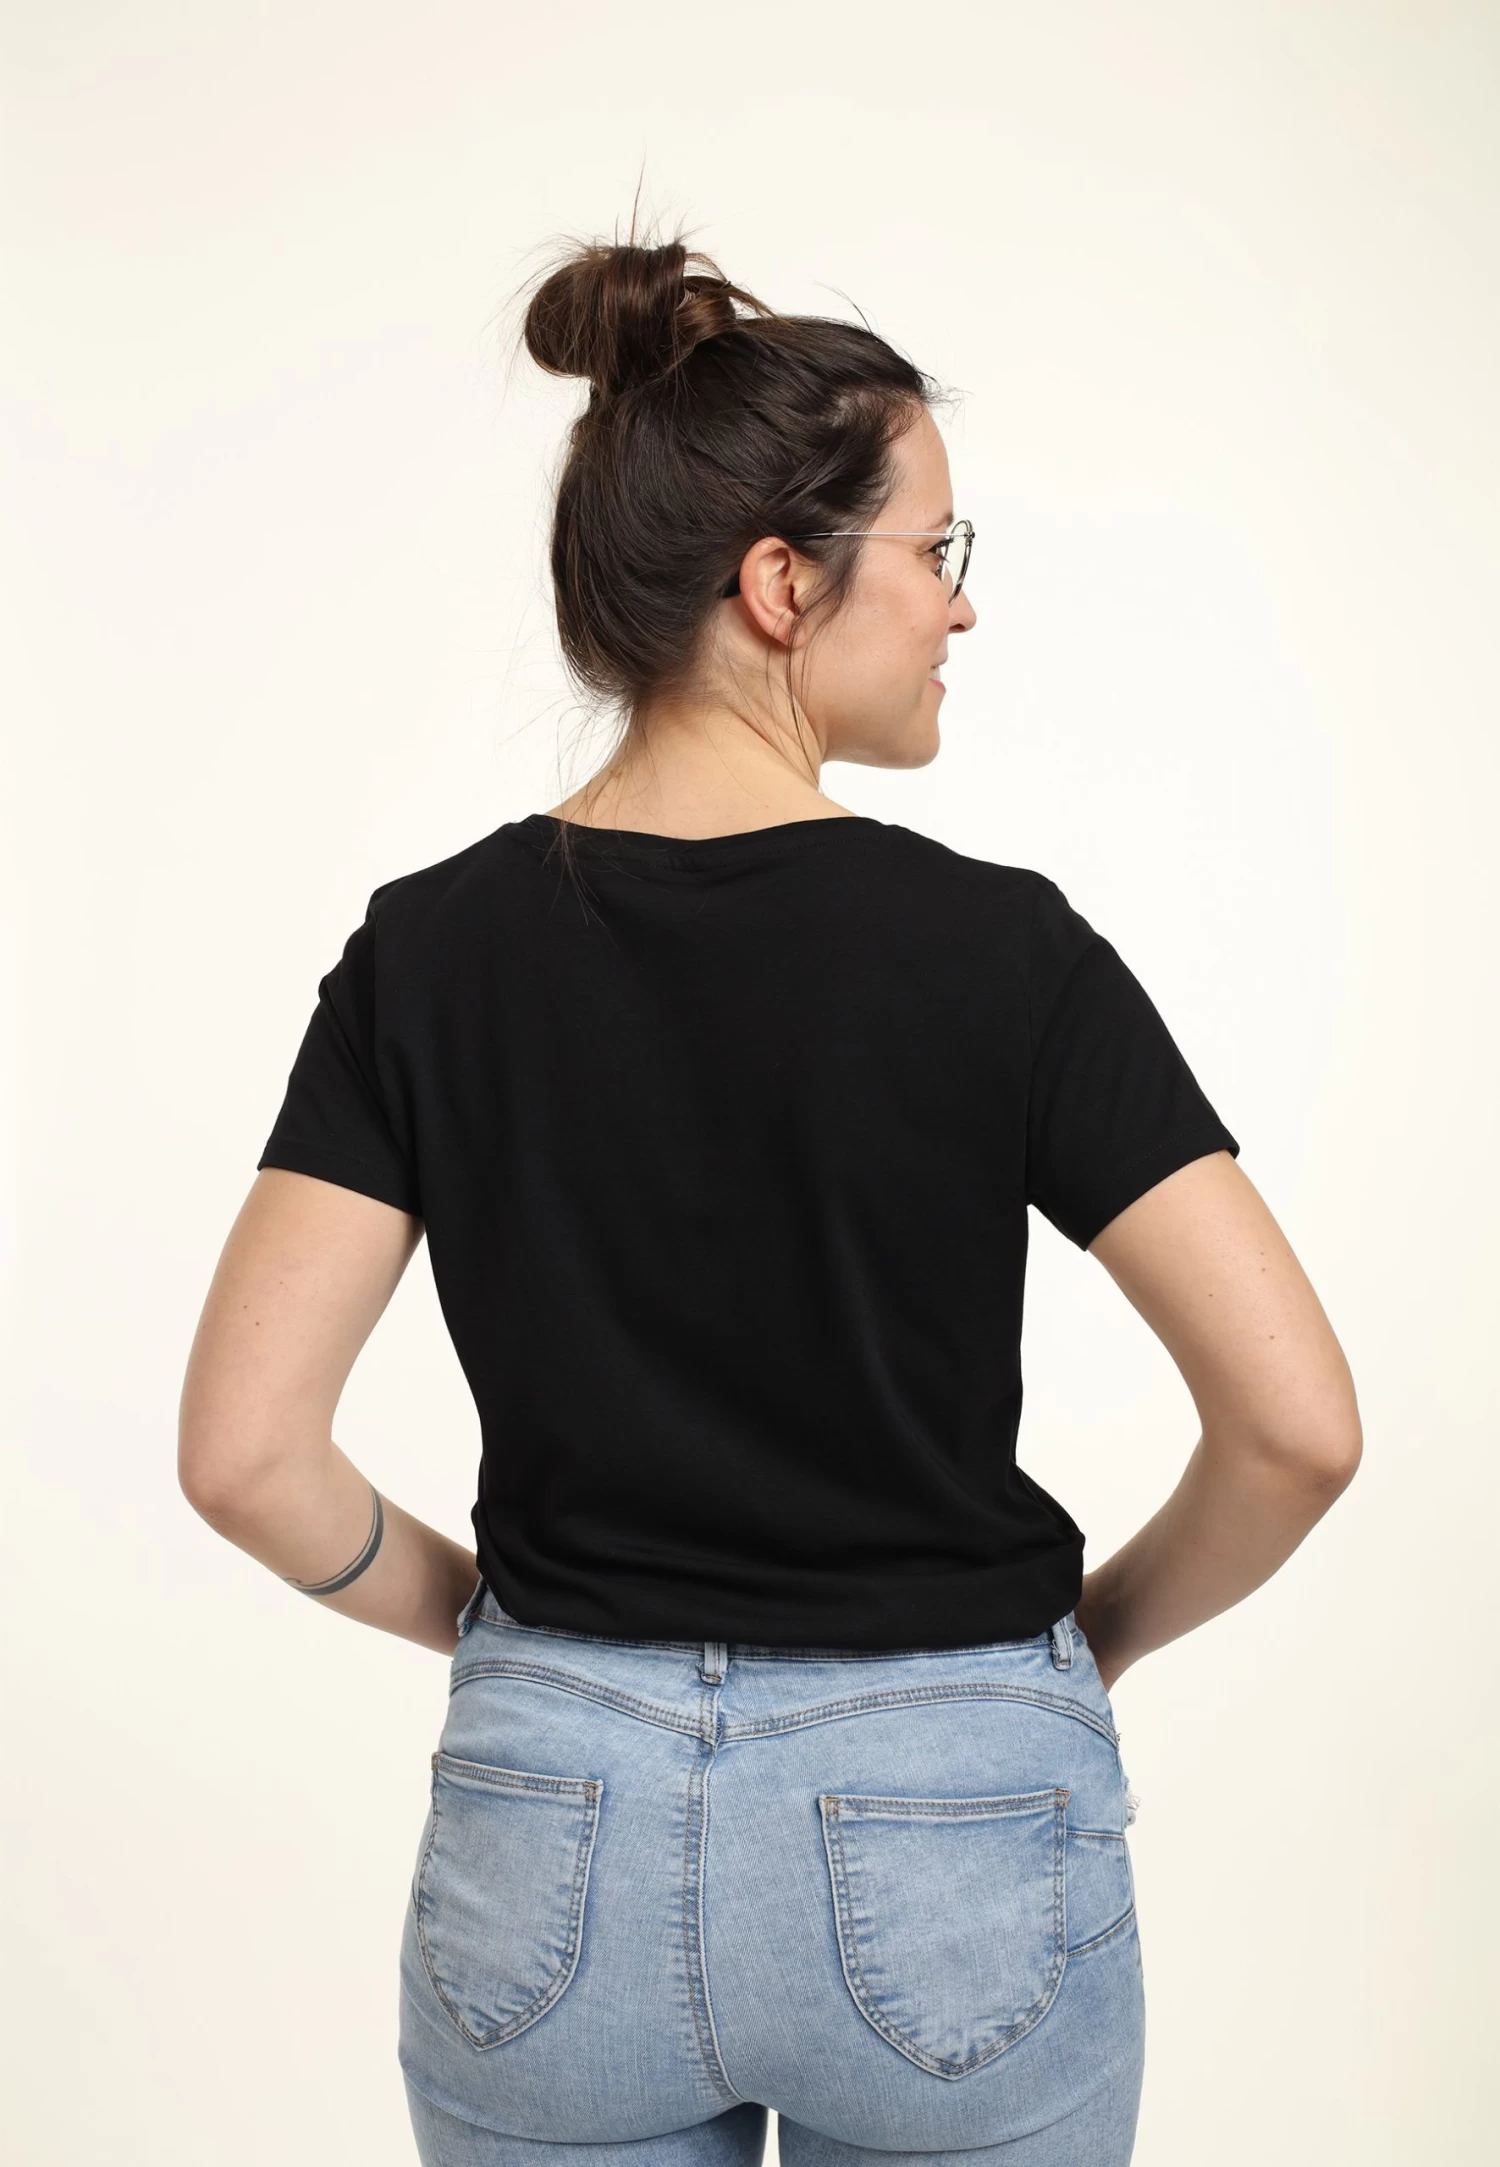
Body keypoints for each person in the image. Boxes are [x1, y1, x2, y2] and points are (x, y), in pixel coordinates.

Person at [178, 220, 1362, 2167]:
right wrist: (1092, 1642)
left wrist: (499, 1630)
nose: (962, 609)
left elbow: (243, 1456)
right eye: (938, 552)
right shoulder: (1004, 956)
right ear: (783, 582)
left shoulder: (424, 956)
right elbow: (1300, 1426)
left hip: (551, 1818)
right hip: (952, 1812)